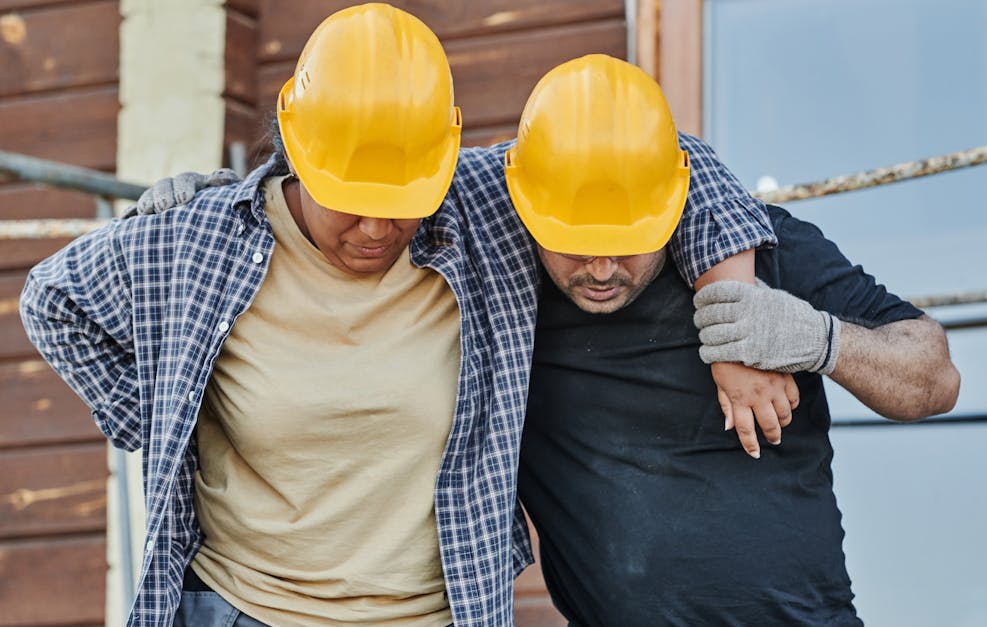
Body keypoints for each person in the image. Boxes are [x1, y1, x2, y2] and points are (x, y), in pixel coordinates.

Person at [19, 8, 776, 627]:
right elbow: (51, 301)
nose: (379, 229)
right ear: (297, 155)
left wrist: (734, 325)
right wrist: (165, 422)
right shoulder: (202, 238)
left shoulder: (479, 207)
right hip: (240, 608)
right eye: (352, 199)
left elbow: (671, 155)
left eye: (405, 199)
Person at [505, 56, 960, 625]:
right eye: (574, 243)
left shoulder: (768, 252)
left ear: (671, 203)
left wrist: (818, 339)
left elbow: (936, 380)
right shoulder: (511, 298)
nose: (601, 268)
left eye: (627, 242)